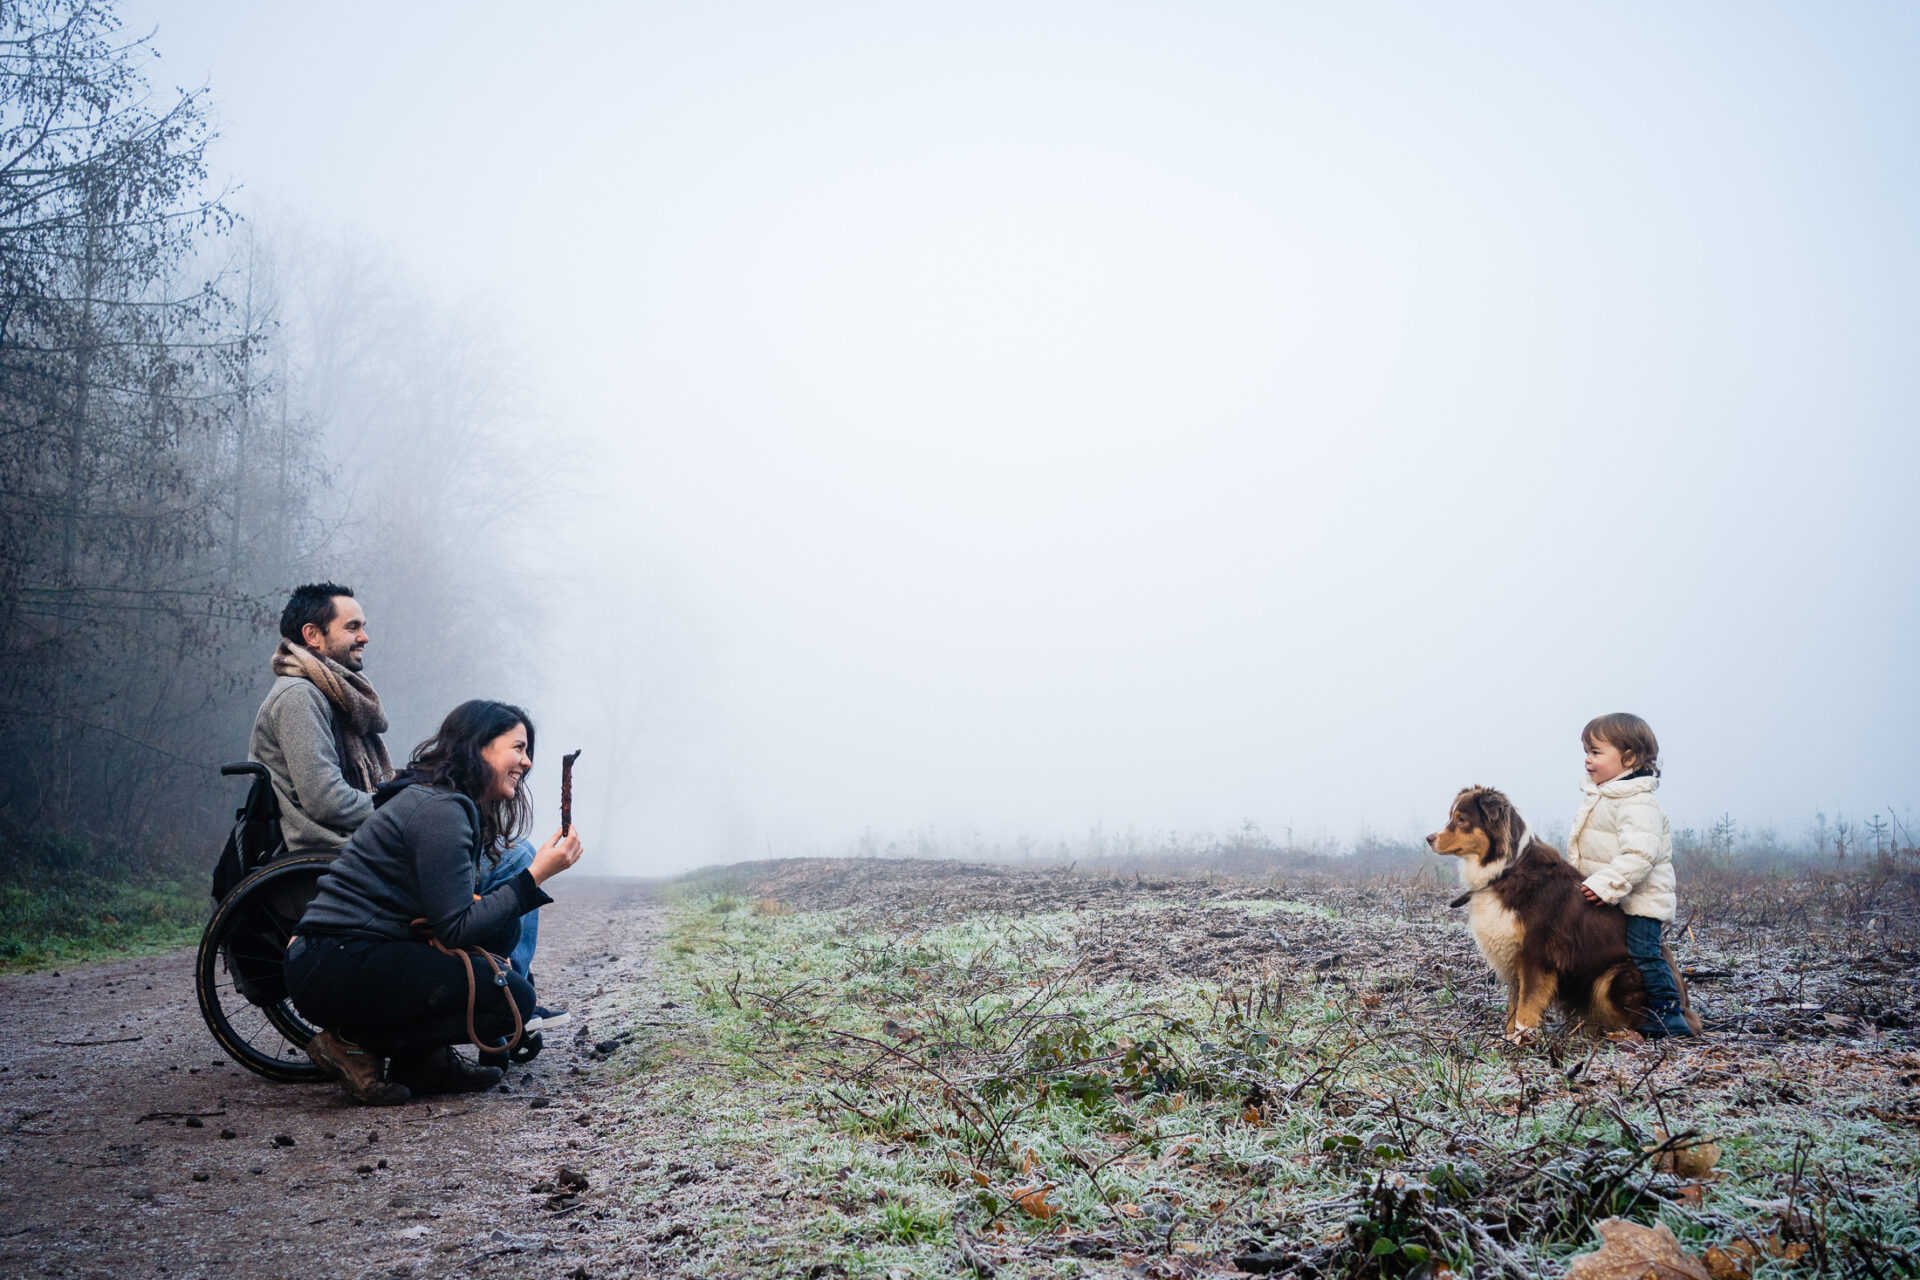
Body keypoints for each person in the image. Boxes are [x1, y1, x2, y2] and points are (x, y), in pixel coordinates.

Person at [251, 584, 555, 996]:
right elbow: (325, 799)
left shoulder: (335, 694)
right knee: (518, 857)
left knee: (509, 851)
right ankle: (509, 990)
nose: (365, 636)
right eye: (353, 627)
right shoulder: (298, 697)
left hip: (355, 844)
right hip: (331, 856)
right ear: (312, 635)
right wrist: (404, 810)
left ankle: (507, 987)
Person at [284, 700, 584, 1105]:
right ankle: (350, 1042)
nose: (527, 761)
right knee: (513, 999)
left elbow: (455, 918)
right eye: (517, 747)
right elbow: (456, 928)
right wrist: (535, 876)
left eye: (527, 751)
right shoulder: (441, 809)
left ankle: (422, 1063)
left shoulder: (445, 802)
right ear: (479, 747)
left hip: (347, 956)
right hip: (334, 960)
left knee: (501, 941)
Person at [1565, 712, 1693, 1038]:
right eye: (1586, 752)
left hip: (1641, 901)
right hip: (1613, 894)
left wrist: (1605, 884)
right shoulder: (1605, 796)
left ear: (1630, 757)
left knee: (1644, 953)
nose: (1587, 760)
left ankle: (1669, 1014)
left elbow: (1639, 854)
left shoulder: (1637, 802)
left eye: (1596, 752)